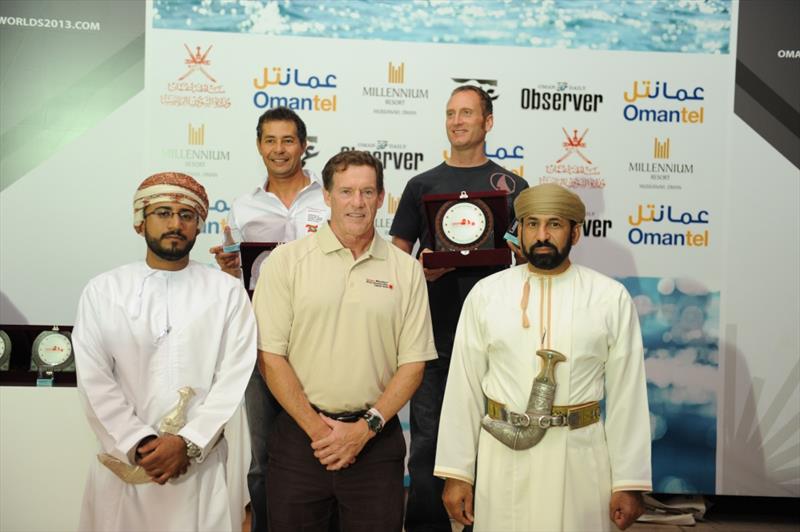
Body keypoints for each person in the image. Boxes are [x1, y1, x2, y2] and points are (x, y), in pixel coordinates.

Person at [434, 183, 651, 531]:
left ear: (576, 232)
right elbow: (464, 386)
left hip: (580, 460)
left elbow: (629, 395)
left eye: (554, 224)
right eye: (532, 224)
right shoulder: (487, 294)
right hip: (503, 458)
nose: (541, 235)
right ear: (519, 231)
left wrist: (628, 481)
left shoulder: (610, 297)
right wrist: (458, 473)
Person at [253, 150, 437, 531]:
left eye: (368, 192)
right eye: (346, 191)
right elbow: (270, 357)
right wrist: (322, 433)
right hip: (301, 441)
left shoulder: (406, 270)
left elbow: (414, 363)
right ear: (326, 196)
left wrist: (364, 429)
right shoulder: (285, 262)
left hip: (375, 442)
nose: (357, 203)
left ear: (382, 198)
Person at [73, 171, 256, 531]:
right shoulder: (104, 291)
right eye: (163, 213)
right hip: (126, 468)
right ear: (140, 224)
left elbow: (235, 378)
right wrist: (139, 442)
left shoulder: (226, 292)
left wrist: (186, 443)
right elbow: (94, 380)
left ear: (198, 226)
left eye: (187, 216)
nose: (176, 224)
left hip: (197, 468)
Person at [389, 84, 529, 531]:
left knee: (495, 440)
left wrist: (518, 258)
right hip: (433, 336)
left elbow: (530, 259)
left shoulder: (512, 187)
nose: (457, 121)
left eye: (467, 113)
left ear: (488, 122)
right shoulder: (421, 185)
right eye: (450, 113)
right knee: (428, 442)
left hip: (500, 339)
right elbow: (396, 259)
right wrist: (420, 269)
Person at [209, 107, 329, 532]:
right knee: (263, 455)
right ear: (259, 145)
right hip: (263, 341)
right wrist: (229, 270)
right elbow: (240, 280)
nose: (279, 150)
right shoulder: (243, 206)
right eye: (270, 141)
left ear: (303, 145)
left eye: (288, 140)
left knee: (321, 445)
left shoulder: (328, 198)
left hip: (323, 337)